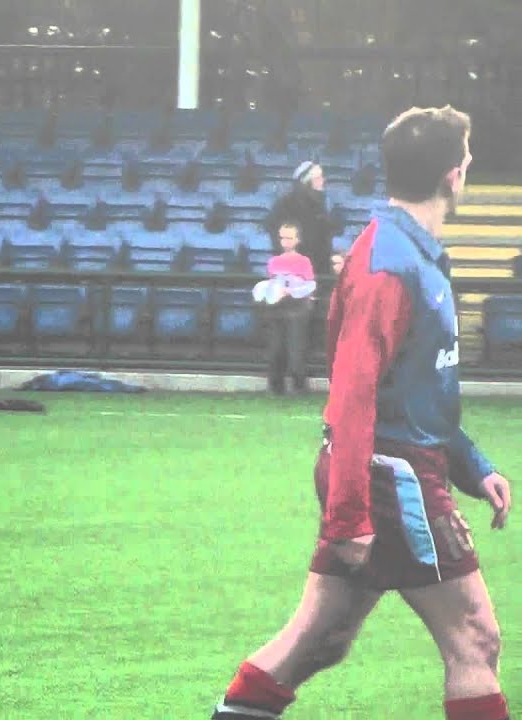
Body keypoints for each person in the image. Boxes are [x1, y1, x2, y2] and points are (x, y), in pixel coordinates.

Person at [211, 106, 511, 720]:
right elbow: (353, 396)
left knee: (319, 640)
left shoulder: (413, 253)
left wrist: (473, 465)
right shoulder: (388, 265)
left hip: (388, 466)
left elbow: (421, 386)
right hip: (389, 474)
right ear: (454, 176)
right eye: (469, 156)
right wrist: (350, 515)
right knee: (474, 639)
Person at [253, 221, 316, 394]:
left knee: (296, 348)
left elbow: (309, 285)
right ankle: (276, 385)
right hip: (277, 309)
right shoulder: (274, 262)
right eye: (283, 238)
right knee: (275, 348)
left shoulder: (304, 261)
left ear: (297, 240)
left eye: (290, 238)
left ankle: (299, 386)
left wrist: (291, 291)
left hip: (297, 309)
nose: (286, 241)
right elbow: (271, 284)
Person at [264, 161, 343, 278]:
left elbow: (334, 229)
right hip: (290, 267)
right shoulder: (284, 204)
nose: (323, 181)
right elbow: (273, 230)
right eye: (317, 178)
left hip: (320, 266)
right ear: (305, 182)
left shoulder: (324, 204)